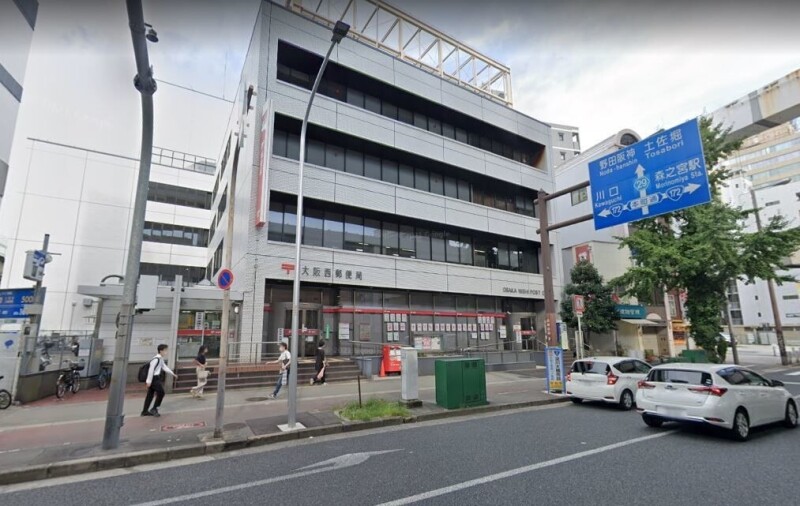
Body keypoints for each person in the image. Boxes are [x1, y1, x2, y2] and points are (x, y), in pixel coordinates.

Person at [141, 344, 178, 417]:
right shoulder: (156, 359)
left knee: (150, 395)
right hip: (154, 379)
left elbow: (164, 367)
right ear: (161, 351)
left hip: (155, 378)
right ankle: (154, 409)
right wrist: (148, 381)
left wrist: (173, 374)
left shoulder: (160, 359)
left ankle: (145, 411)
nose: (166, 352)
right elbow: (151, 370)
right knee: (161, 393)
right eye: (165, 350)